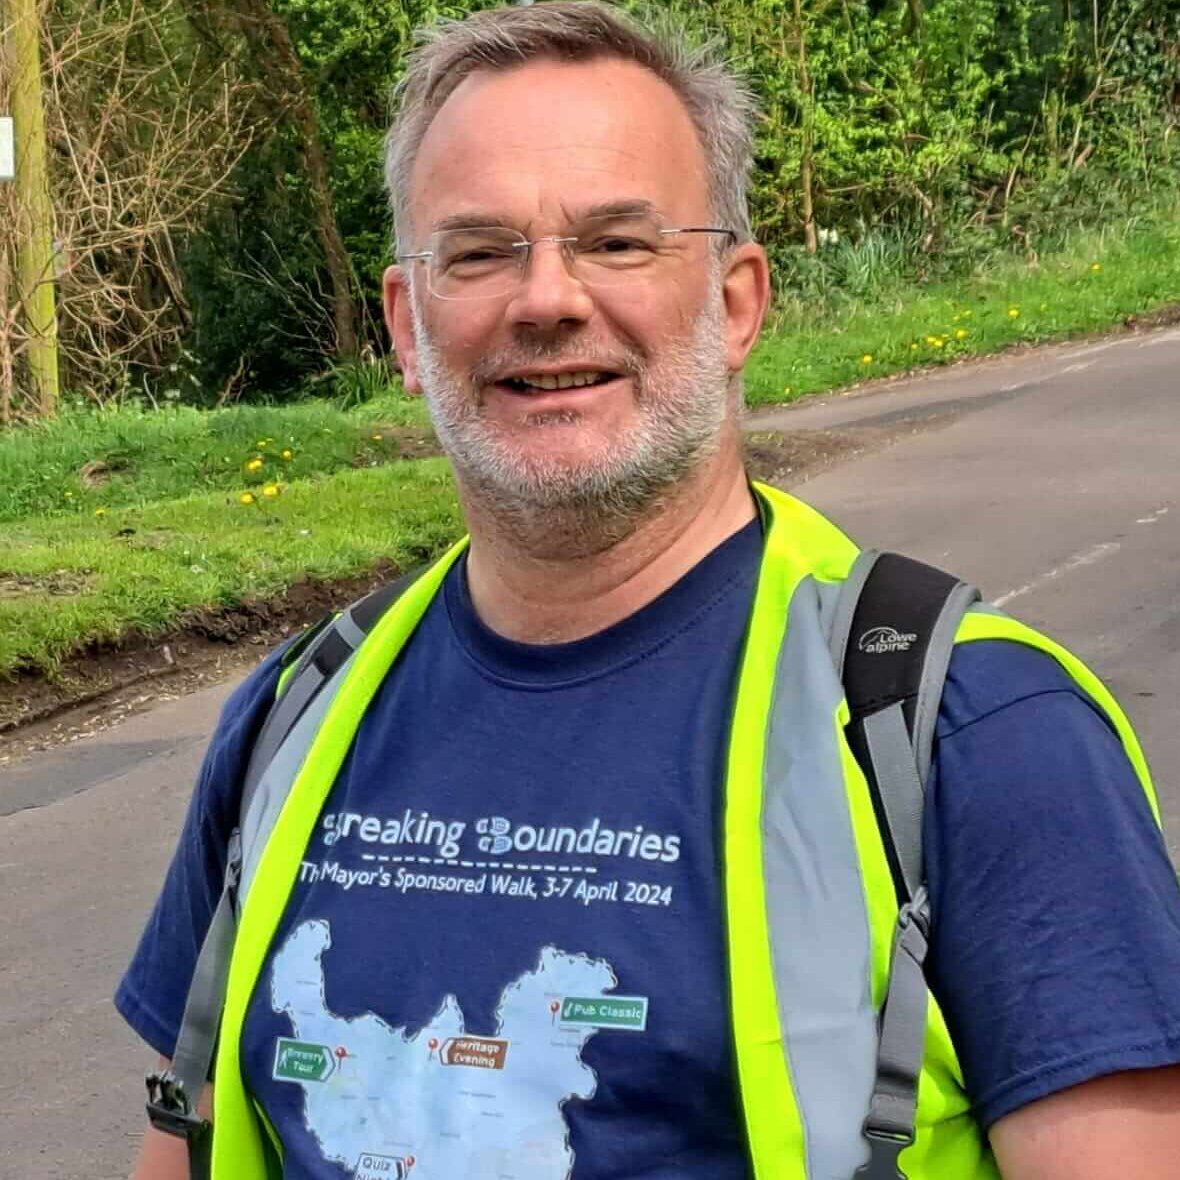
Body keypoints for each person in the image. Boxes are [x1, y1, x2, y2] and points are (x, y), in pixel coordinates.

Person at [117, 3, 1180, 1178]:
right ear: (407, 327)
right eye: (478, 252)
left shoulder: (974, 734)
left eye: (617, 242)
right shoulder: (291, 719)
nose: (546, 299)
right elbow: (184, 1140)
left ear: (735, 303)